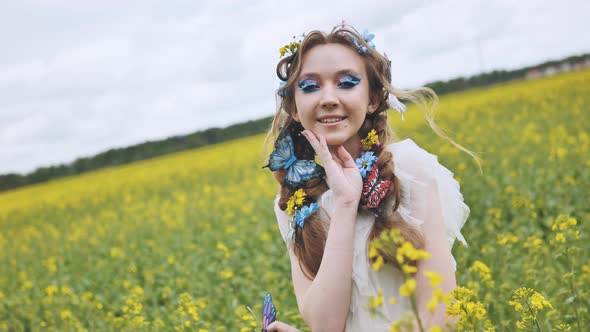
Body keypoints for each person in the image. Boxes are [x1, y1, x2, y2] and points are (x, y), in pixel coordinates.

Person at [264, 23, 479, 332]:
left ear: (373, 99)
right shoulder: (295, 202)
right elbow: (326, 325)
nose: (327, 98)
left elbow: (441, 319)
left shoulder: (410, 170)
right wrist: (347, 203)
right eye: (310, 86)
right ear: (294, 108)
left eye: (346, 83)